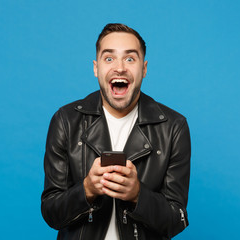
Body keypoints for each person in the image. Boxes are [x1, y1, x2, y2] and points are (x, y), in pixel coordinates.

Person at [41, 23, 191, 240]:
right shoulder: (65, 121)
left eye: (130, 58)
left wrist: (137, 195)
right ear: (96, 68)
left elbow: (177, 220)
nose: (119, 67)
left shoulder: (173, 127)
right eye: (109, 58)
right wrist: (87, 190)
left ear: (144, 69)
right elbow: (51, 213)